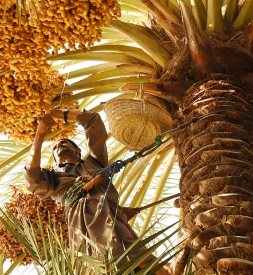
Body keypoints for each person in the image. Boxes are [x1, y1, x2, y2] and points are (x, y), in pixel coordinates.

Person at [24, 108, 170, 275]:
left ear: (78, 151)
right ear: (56, 162)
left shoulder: (94, 164)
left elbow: (93, 121)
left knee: (133, 250)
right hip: (81, 225)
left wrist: (57, 113)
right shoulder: (53, 181)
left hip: (111, 215)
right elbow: (31, 178)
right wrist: (40, 134)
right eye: (55, 147)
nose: (59, 145)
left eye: (65, 142)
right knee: (107, 256)